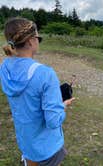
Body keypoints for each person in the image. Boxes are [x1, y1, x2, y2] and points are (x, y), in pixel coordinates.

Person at [0, 17, 75, 166]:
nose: (38, 42)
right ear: (30, 41)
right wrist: (62, 105)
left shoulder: (4, 68)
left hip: (26, 141)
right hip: (47, 147)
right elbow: (53, 121)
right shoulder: (46, 74)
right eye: (38, 38)